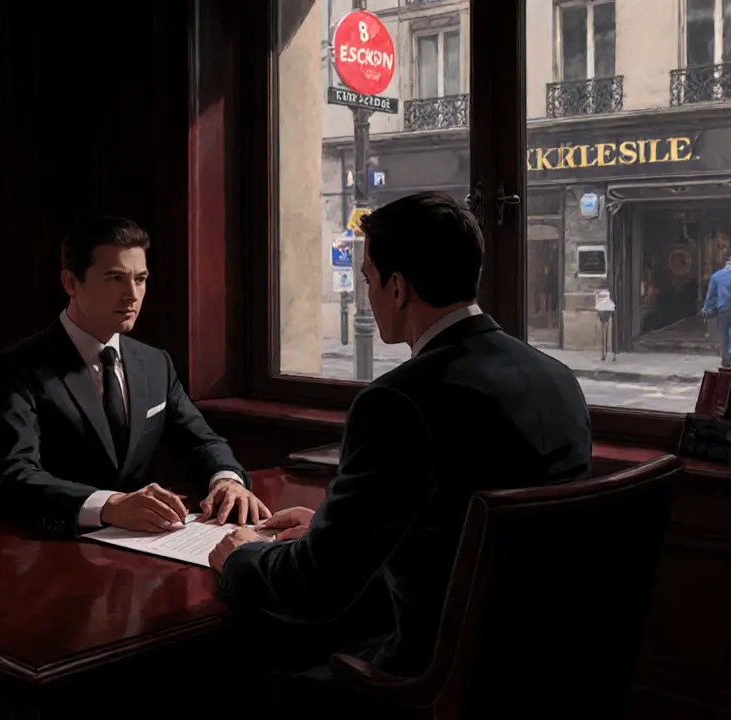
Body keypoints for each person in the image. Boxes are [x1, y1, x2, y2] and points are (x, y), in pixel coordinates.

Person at [208, 191, 592, 693]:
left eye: (368, 279)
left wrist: (240, 556)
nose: (368, 293)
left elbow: (315, 590)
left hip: (426, 680)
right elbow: (456, 525)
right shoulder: (558, 379)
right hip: (539, 668)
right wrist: (330, 531)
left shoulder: (398, 401)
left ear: (396, 287)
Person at [0, 216, 270, 535]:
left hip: (140, 548)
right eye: (115, 278)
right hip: (47, 545)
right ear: (70, 283)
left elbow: (201, 441)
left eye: (141, 279)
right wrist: (109, 505)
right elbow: (14, 477)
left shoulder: (155, 363)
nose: (132, 294)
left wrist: (226, 479)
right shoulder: (13, 367)